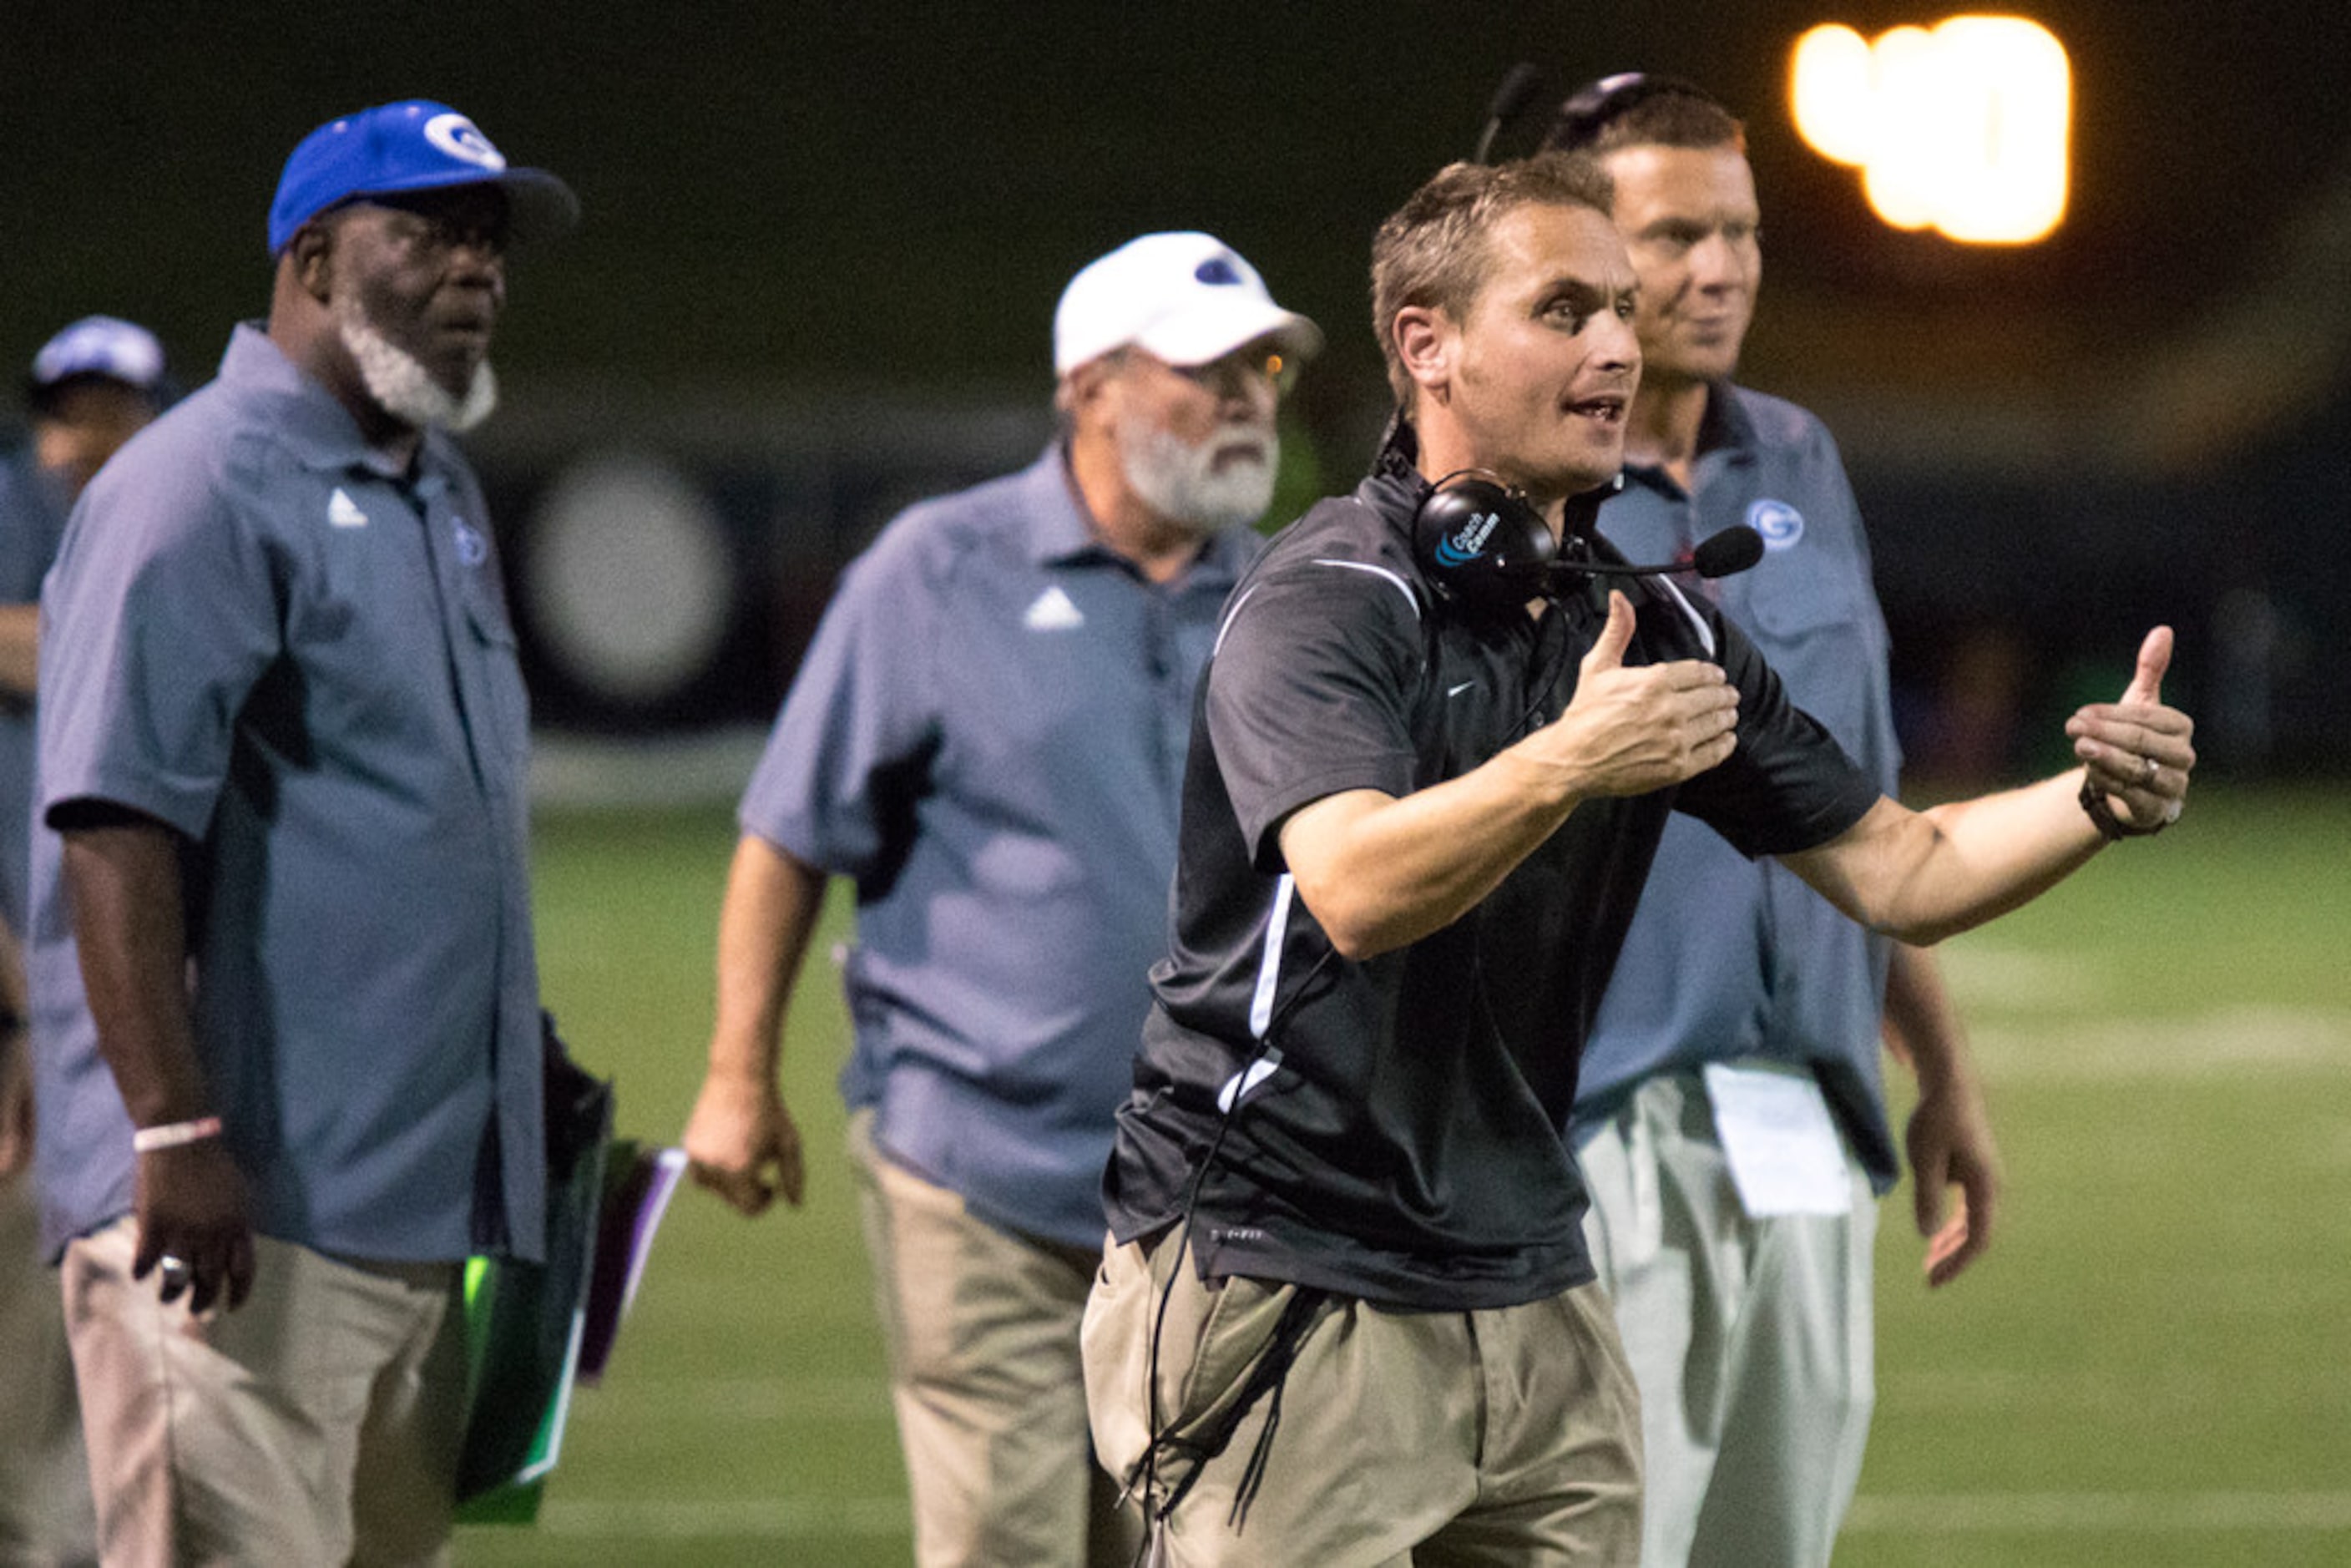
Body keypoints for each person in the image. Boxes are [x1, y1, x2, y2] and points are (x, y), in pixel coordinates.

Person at [1081, 151, 2195, 1565]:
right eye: (1562, 310)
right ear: (1427, 345)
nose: (1617, 343)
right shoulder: (1329, 596)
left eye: (1620, 307)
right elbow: (1354, 887)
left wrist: (2092, 800)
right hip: (1284, 1268)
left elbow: (1905, 866)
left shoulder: (1646, 620)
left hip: (1532, 1269)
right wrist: (1571, 758)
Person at [680, 232, 1321, 1567]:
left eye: (1263, 364)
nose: (1253, 393)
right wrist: (738, 1075)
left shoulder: (1285, 592)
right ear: (1090, 387)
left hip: (1222, 1195)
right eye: (1209, 369)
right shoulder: (937, 569)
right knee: (1005, 1547)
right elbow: (788, 834)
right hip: (985, 1175)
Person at [26, 99, 578, 1563]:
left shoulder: (433, 488)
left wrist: (509, 1068)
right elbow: (116, 823)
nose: (478, 273)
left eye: (491, 244)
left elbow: (408, 822)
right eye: (432, 235)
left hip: (409, 1209)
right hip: (236, 1215)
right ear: (317, 262)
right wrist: (174, 1126)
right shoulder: (194, 484)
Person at [1537, 74, 2001, 1566]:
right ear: (1584, 258)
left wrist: (1942, 1071)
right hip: (1596, 1113)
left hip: (1805, 1106)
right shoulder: (1518, 483)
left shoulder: (1796, 455)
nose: (1720, 267)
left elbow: (1857, 800)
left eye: (1739, 232)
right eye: (1675, 234)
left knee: (1771, 1545)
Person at [0, 313, 169, 1568]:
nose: (87, 438)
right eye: (69, 410)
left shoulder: (160, 531)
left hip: (85, 1012)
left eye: (115, 411)